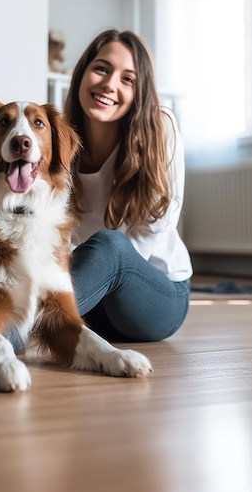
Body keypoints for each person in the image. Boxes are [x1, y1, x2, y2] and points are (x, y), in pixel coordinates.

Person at [63, 28, 192, 342]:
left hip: (156, 297)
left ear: (139, 93)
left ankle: (4, 333)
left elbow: (155, 228)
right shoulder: (61, 142)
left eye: (127, 79)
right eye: (102, 69)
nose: (109, 84)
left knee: (111, 247)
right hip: (92, 302)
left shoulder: (160, 127)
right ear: (83, 73)